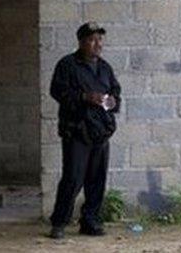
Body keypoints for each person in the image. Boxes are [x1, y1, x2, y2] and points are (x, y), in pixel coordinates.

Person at [48, 22, 122, 239]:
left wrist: (112, 101)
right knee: (73, 178)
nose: (97, 44)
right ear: (81, 42)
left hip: (100, 131)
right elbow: (57, 91)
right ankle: (59, 223)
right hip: (77, 132)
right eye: (92, 40)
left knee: (96, 180)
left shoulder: (105, 67)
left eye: (100, 39)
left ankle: (90, 221)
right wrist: (85, 97)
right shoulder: (68, 65)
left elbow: (116, 92)